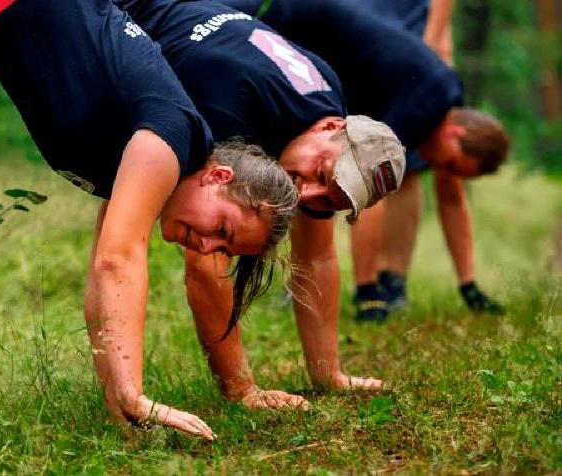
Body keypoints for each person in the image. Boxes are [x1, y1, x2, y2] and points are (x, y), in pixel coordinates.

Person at [0, 0, 301, 439]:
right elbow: (119, 261)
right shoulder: (170, 140)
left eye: (223, 250)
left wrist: (122, 399)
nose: (207, 248)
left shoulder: (147, 160)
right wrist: (135, 393)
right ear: (219, 176)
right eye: (223, 231)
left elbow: (103, 278)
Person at [114, 0, 406, 411]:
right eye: (322, 177)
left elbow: (318, 254)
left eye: (332, 200)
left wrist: (328, 374)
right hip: (118, 16)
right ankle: (121, 392)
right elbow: (205, 260)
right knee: (122, 227)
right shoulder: (233, 103)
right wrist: (242, 390)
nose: (307, 197)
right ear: (330, 128)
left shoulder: (324, 115)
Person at [347, 0, 507, 321]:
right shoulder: (423, 93)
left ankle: (392, 283)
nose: (443, 169)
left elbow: (451, 196)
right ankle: (351, 286)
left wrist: (468, 283)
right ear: (456, 133)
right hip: (377, 39)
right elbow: (370, 180)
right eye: (450, 163)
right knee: (377, 168)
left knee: (407, 172)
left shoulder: (445, 98)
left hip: (420, 39)